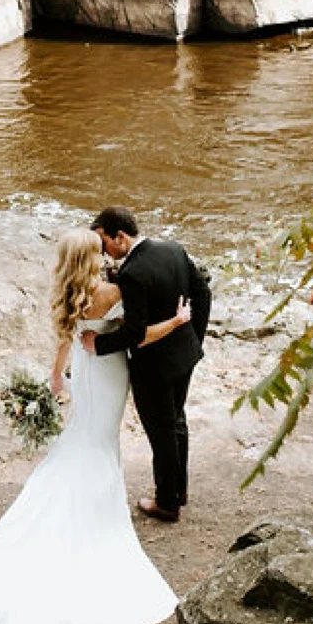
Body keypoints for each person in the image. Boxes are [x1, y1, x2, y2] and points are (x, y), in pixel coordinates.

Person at [0, 229, 187, 624]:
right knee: (99, 442)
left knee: (84, 433)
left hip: (84, 373)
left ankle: (72, 496)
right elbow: (139, 334)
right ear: (93, 257)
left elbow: (65, 338)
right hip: (110, 372)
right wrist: (177, 320)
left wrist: (57, 375)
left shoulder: (69, 291)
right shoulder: (111, 292)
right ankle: (93, 513)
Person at [83, 206, 210, 523]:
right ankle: (178, 489)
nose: (104, 251)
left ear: (120, 236)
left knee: (161, 431)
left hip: (154, 367)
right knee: (177, 422)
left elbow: (134, 333)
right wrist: (195, 338)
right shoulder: (173, 248)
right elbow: (203, 293)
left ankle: (167, 503)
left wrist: (98, 344)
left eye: (104, 243)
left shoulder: (133, 273)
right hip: (185, 356)